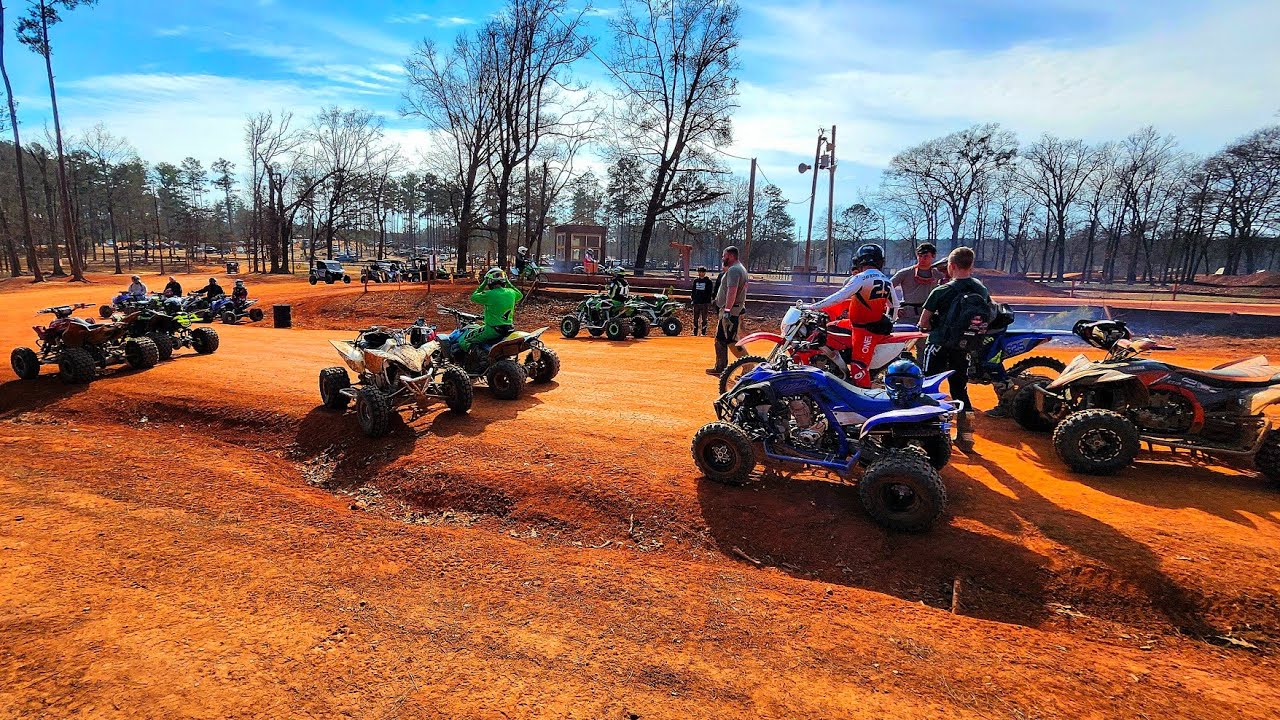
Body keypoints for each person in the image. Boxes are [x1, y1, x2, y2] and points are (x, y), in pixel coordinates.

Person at [919, 247, 992, 450]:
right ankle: (966, 436)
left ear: (951, 266)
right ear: (971, 265)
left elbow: (923, 322)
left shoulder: (941, 291)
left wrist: (929, 324)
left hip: (939, 344)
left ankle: (927, 432)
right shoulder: (981, 290)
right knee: (960, 388)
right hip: (965, 346)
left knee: (928, 386)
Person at [801, 243, 898, 386]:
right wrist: (889, 321)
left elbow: (839, 296)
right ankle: (838, 365)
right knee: (829, 329)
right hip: (857, 325)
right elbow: (894, 306)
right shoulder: (886, 280)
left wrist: (813, 306)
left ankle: (863, 397)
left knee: (859, 366)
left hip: (865, 331)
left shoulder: (861, 278)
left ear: (860, 260)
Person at [458, 268, 523, 354]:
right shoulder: (511, 293)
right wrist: (508, 282)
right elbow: (520, 295)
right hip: (509, 328)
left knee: (463, 340)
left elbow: (473, 297)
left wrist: (484, 283)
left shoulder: (489, 294)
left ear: (490, 282)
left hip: (492, 330)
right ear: (504, 281)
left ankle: (477, 359)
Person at [706, 245, 749, 375]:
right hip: (730, 309)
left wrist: (727, 310)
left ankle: (749, 367)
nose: (722, 258)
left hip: (731, 311)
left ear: (730, 256)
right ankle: (720, 367)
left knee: (732, 341)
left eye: (724, 256)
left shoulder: (734, 270)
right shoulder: (738, 269)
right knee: (720, 339)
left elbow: (732, 290)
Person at [891, 242, 944, 326]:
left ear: (933, 256)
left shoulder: (939, 274)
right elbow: (886, 289)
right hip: (907, 316)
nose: (922, 259)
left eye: (926, 256)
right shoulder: (905, 273)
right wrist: (895, 308)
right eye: (920, 256)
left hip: (928, 317)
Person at [689, 266, 714, 336]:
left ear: (704, 273)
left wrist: (708, 301)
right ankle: (695, 332)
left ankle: (703, 332)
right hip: (696, 302)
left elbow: (709, 292)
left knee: (704, 318)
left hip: (704, 303)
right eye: (699, 272)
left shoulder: (708, 282)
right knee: (695, 318)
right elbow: (693, 291)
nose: (700, 273)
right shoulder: (695, 281)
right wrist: (693, 299)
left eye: (702, 272)